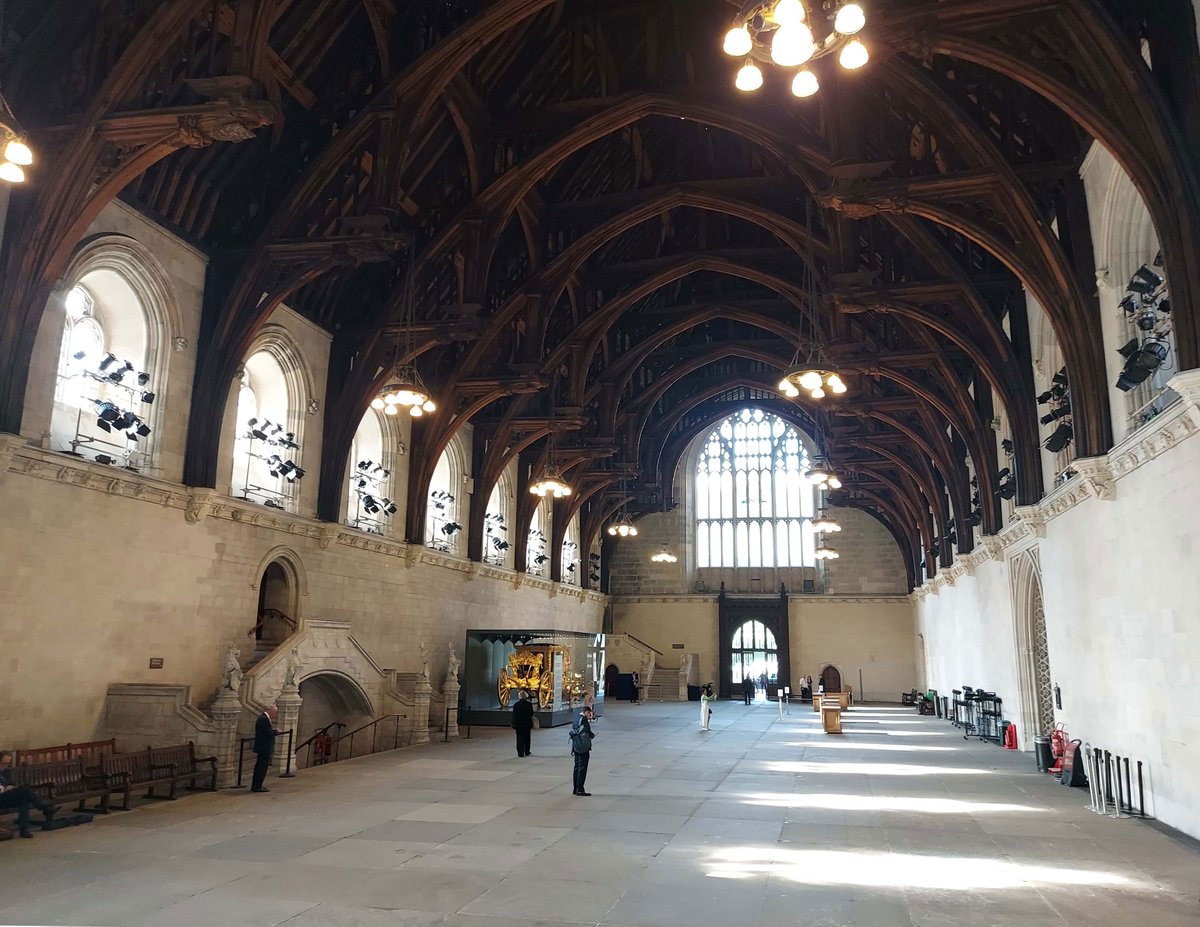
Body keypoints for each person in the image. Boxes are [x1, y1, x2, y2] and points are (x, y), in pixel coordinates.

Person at [0, 751, 57, 838]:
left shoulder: (6, 771)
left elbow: (11, 783)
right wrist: (4, 789)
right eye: (3, 763)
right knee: (25, 790)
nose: (5, 766)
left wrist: (10, 787)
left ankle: (24, 830)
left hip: (7, 796)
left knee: (24, 798)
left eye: (8, 763)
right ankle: (44, 807)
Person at [251, 704, 278, 793]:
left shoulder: (265, 718)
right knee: (261, 767)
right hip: (263, 746)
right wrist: (275, 732)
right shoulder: (263, 719)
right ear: (271, 711)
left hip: (264, 746)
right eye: (275, 712)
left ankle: (258, 785)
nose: (275, 714)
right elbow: (267, 733)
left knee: (262, 766)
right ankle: (257, 786)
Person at [569, 706, 595, 796]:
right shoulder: (584, 720)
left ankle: (575, 788)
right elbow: (588, 732)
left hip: (576, 746)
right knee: (582, 767)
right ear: (586, 712)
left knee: (576, 767)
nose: (589, 716)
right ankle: (580, 789)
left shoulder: (576, 718)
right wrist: (593, 735)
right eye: (589, 714)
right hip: (583, 747)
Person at [512, 690, 534, 757]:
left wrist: (513, 723)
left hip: (518, 724)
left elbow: (514, 715)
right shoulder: (529, 704)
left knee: (519, 738)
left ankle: (520, 752)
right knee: (527, 738)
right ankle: (527, 751)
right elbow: (531, 713)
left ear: (519, 697)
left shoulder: (516, 705)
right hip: (527, 724)